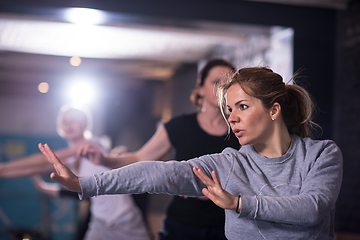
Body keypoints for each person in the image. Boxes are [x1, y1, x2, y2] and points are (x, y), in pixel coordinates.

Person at [40, 66, 343, 239]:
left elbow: (312, 208)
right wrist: (86, 184)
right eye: (229, 110)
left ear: (274, 110)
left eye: (243, 107)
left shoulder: (321, 154)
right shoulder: (229, 163)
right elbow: (157, 172)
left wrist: (238, 204)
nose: (232, 117)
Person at [77, 59, 241, 240]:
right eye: (216, 82)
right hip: (182, 226)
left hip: (226, 227)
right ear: (200, 88)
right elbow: (141, 158)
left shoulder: (240, 131)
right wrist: (104, 160)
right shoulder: (179, 126)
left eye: (228, 83)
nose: (222, 88)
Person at [0, 104, 150, 240]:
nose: (69, 125)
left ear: (84, 124)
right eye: (65, 121)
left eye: (74, 121)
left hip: (125, 220)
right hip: (100, 222)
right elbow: (38, 167)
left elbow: (43, 160)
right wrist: (4, 172)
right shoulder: (72, 157)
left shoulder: (89, 145)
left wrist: (5, 167)